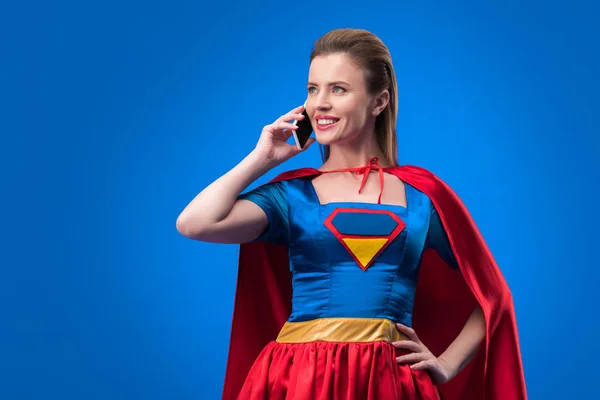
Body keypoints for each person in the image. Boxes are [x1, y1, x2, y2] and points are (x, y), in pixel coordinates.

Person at [176, 28, 527, 400]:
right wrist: (262, 159)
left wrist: (447, 364)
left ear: (379, 102)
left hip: (390, 381)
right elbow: (196, 223)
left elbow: (495, 296)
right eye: (313, 89)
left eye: (338, 89)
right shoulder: (291, 195)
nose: (319, 104)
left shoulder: (423, 197)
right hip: (298, 379)